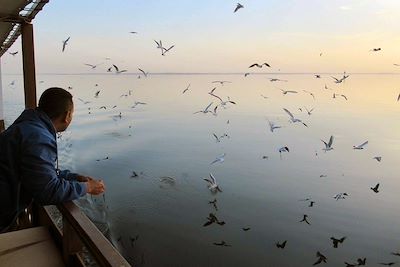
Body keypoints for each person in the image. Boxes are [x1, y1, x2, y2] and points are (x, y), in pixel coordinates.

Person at [0, 87, 105, 232]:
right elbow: (47, 191)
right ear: (67, 115)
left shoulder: (28, 125)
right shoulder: (38, 137)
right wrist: (88, 187)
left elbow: (39, 171)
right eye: (72, 114)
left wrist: (74, 178)